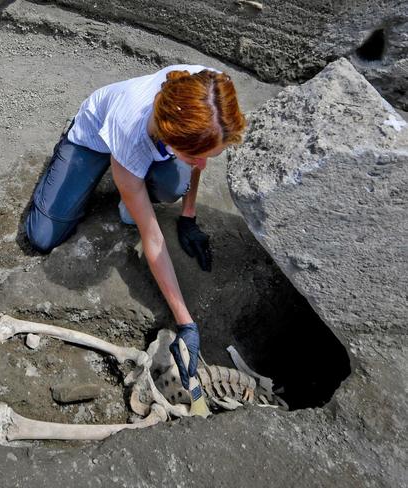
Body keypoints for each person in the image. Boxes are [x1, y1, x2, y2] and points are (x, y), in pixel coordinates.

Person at [24, 65, 246, 398]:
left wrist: (188, 214)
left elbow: (203, 148)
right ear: (170, 136)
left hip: (150, 145)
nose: (203, 164)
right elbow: (152, 238)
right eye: (194, 155)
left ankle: (137, 189)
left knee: (177, 182)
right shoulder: (130, 133)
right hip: (94, 137)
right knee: (42, 236)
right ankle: (96, 174)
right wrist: (185, 320)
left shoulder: (210, 89)